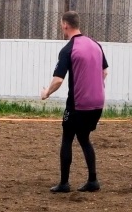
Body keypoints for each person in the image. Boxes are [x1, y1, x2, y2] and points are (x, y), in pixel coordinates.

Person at [41, 11, 109, 193]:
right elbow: (105, 72)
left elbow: (58, 80)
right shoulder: (96, 45)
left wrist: (46, 93)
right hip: (98, 102)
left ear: (65, 25)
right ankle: (93, 180)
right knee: (84, 138)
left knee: (67, 138)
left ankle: (64, 183)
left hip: (78, 104)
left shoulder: (68, 49)